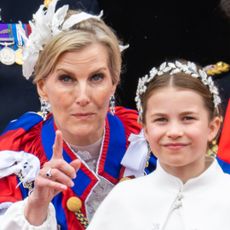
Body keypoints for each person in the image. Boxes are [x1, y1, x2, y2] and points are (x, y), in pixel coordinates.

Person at [0, 0, 155, 229]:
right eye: (66, 79)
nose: (83, 96)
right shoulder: (19, 159)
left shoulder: (150, 141)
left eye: (96, 77)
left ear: (114, 82)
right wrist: (36, 207)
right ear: (42, 86)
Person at [87, 60, 230, 230]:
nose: (174, 132)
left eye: (188, 118)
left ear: (213, 127)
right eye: (161, 120)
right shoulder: (123, 199)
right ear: (145, 129)